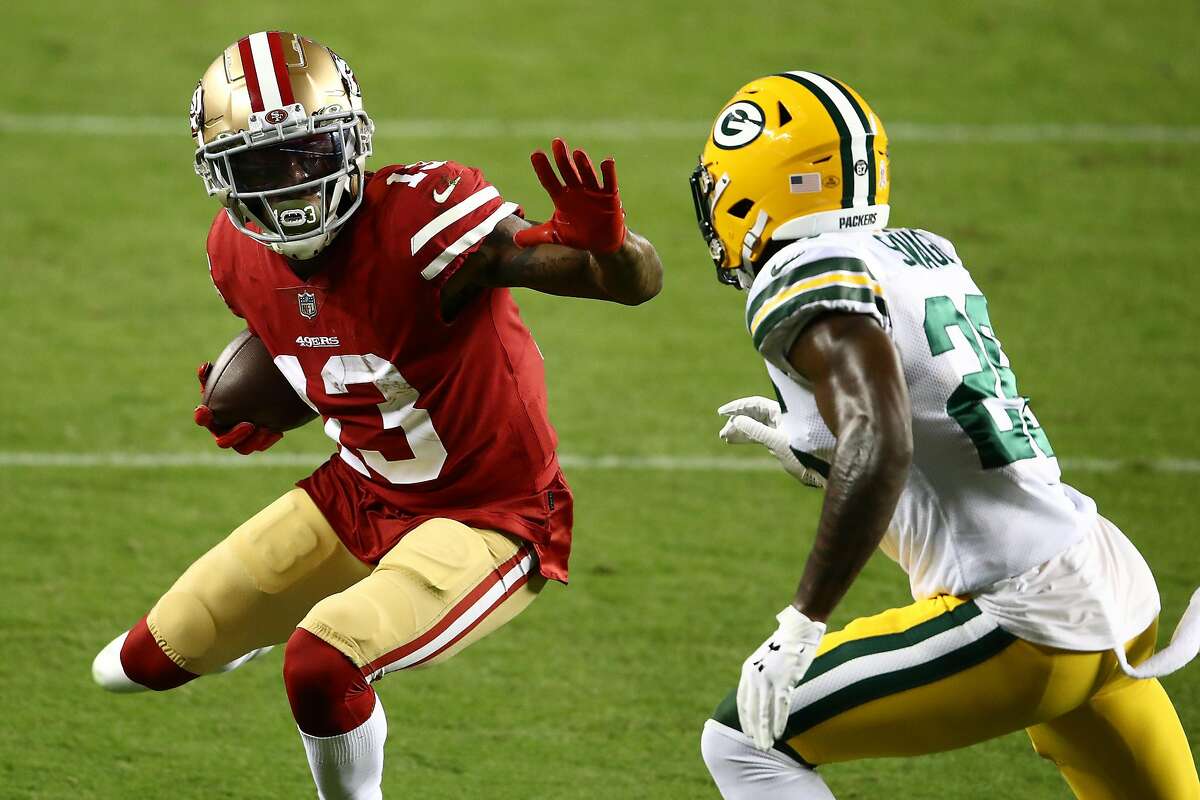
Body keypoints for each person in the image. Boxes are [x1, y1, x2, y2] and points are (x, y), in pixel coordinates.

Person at [90, 30, 662, 800]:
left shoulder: (425, 221)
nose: (291, 183)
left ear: (353, 139)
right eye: (261, 164)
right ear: (221, 177)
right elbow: (334, 343)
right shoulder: (231, 251)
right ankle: (258, 623)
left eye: (309, 150)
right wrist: (277, 402)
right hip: (358, 491)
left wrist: (616, 246)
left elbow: (627, 284)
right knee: (137, 664)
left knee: (321, 664)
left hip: (488, 513)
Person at [689, 70, 1200, 799]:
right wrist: (817, 446)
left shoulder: (801, 274)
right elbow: (928, 413)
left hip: (1023, 618)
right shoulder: (920, 252)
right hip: (1108, 584)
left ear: (758, 182)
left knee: (745, 740)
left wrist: (803, 622)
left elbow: (886, 440)